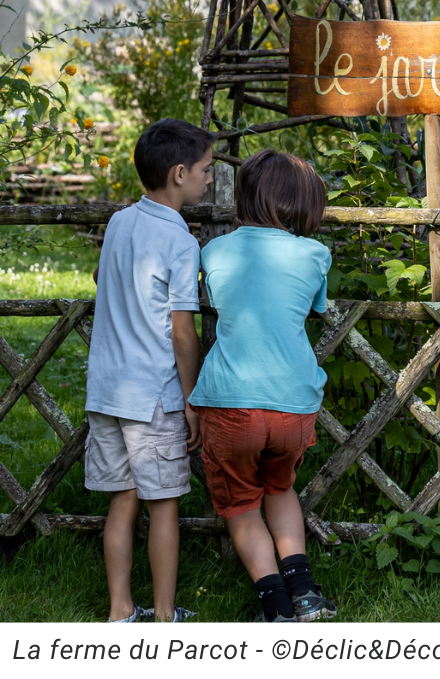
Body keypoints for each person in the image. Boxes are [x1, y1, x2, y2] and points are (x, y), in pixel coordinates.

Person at [190, 150, 337, 623]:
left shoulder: (213, 251)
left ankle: (274, 603)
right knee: (280, 488)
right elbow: (314, 309)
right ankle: (306, 592)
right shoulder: (316, 254)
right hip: (293, 403)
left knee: (239, 503)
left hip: (231, 402)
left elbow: (217, 300)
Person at [85, 118, 214, 623]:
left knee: (123, 500)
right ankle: (163, 616)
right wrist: (192, 398)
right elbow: (183, 332)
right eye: (204, 170)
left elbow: (101, 275)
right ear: (179, 174)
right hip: (153, 396)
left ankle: (121, 612)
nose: (208, 178)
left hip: (106, 391)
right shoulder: (181, 242)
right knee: (163, 506)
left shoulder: (119, 223)